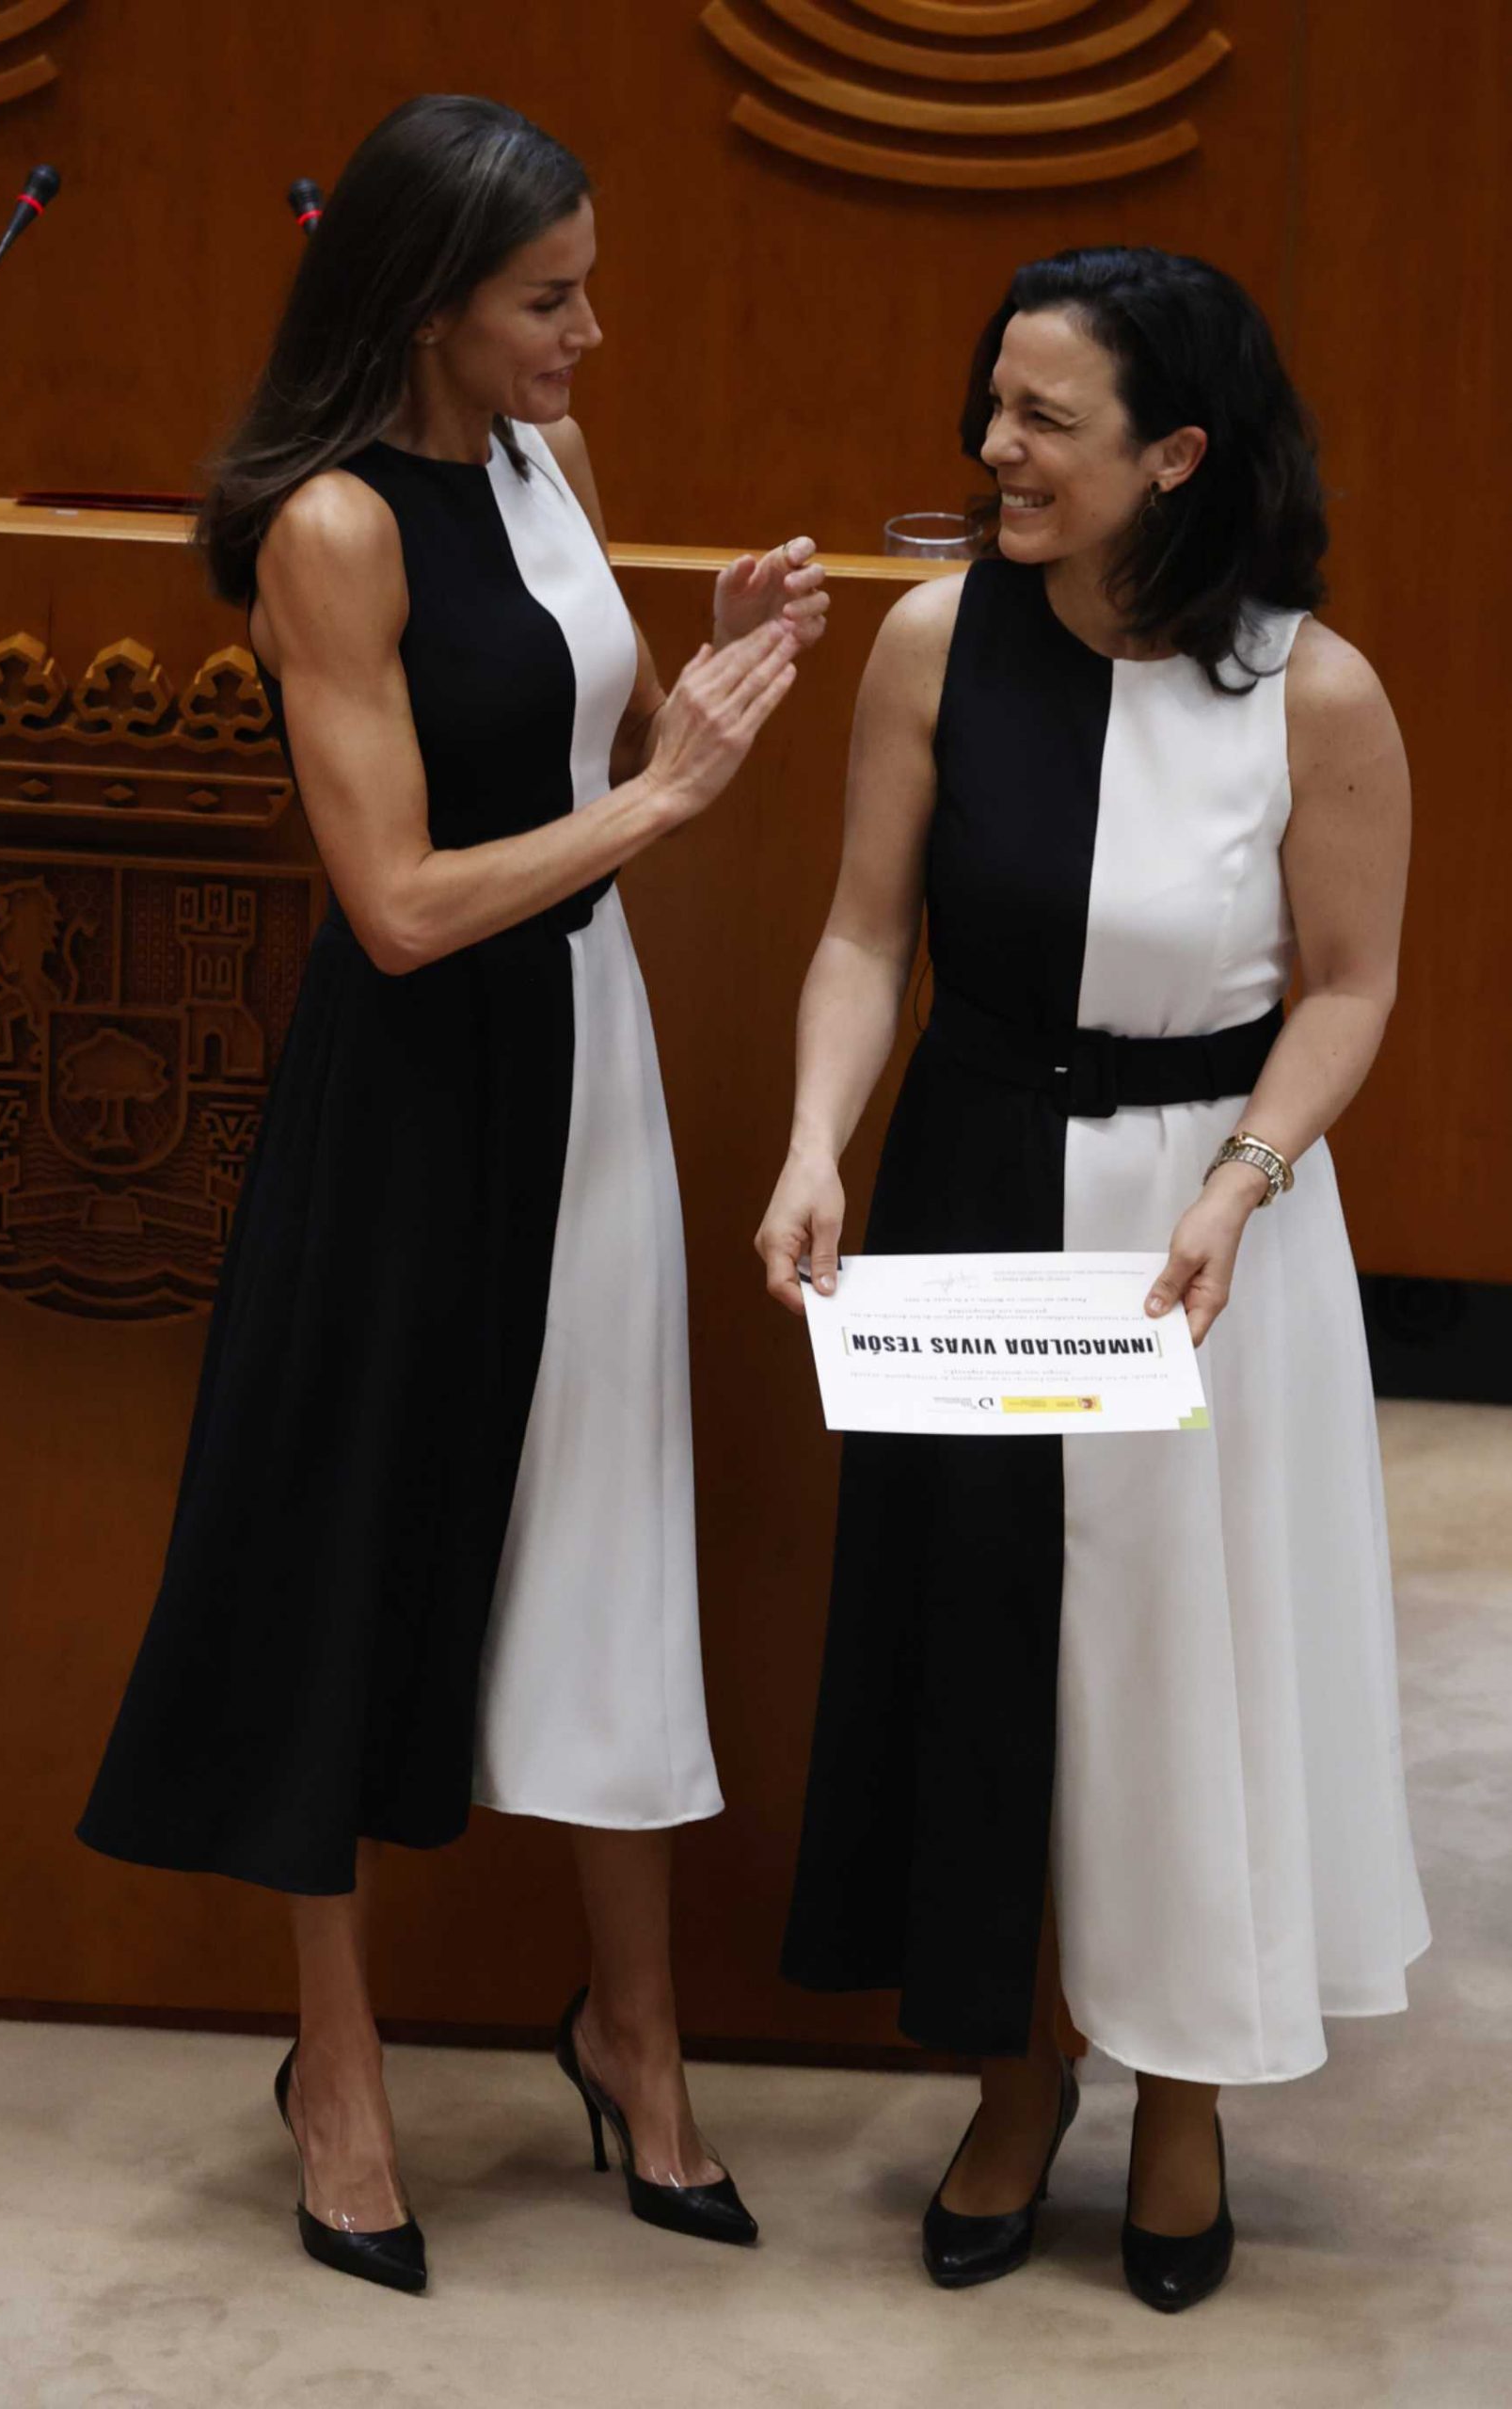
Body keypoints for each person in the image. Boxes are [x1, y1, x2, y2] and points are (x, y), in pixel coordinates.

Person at [77, 94, 827, 2293]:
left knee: (611, 1523)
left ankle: (638, 2036)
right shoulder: (327, 525)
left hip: (584, 1056)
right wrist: (671, 791)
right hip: (410, 1091)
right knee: (353, 1554)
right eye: (548, 296)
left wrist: (692, 665)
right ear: (428, 304)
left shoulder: (544, 460)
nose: (590, 331)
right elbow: (396, 904)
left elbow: (569, 745)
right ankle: (338, 2069)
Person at [756, 246, 1426, 2312]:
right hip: (970, 1184)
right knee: (983, 1642)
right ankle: (1008, 2067)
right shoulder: (932, 638)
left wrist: (1239, 1177)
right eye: (993, 404)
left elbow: (1347, 981)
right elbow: (868, 934)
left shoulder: (1307, 687)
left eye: (1042, 419)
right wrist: (812, 1138)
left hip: (1193, 1231)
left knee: (1173, 1660)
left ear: (1175, 455)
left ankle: (1186, 2089)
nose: (991, 449)